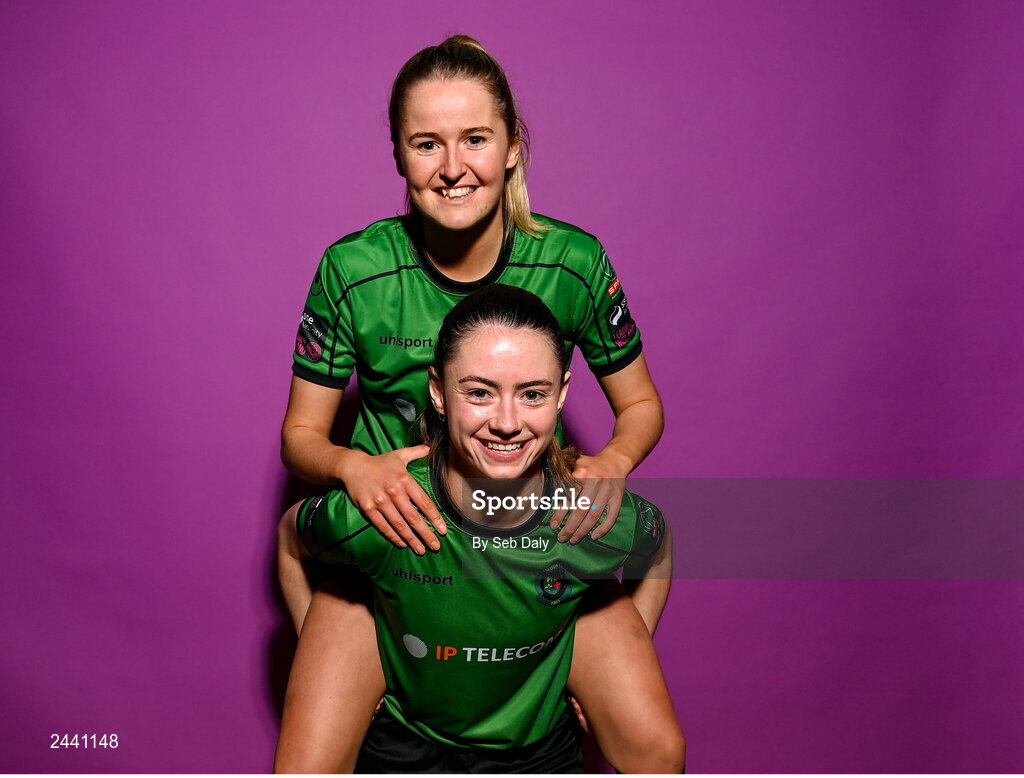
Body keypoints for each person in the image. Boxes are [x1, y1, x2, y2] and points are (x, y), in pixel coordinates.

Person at [275, 35, 679, 772]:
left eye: (475, 140)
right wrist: (352, 468)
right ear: (399, 153)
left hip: (529, 544)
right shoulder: (353, 268)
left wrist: (613, 463)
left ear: (514, 146)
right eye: (426, 143)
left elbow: (643, 405)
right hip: (397, 546)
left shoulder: (573, 262)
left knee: (654, 745)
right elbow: (299, 437)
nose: (453, 167)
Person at [283, 285, 682, 772]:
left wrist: (615, 657)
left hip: (538, 741)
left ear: (562, 395)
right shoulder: (391, 509)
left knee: (661, 753)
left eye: (533, 393)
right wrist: (333, 661)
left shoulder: (586, 516)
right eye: (479, 392)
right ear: (438, 392)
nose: (507, 422)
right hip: (407, 733)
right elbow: (290, 542)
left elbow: (657, 545)